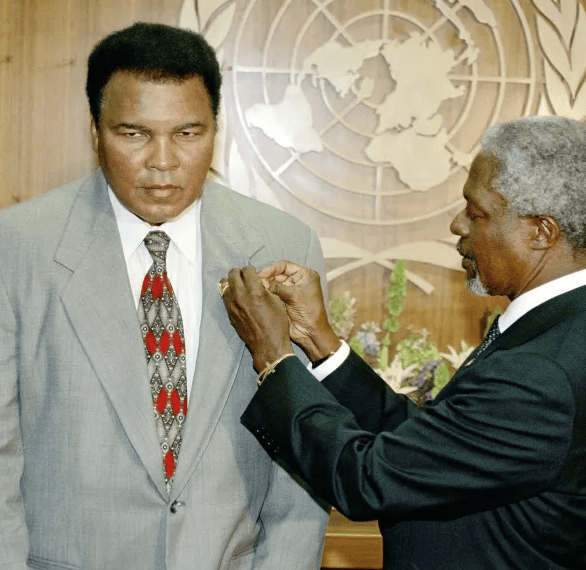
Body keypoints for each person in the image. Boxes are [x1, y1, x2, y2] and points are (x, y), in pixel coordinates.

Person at [0, 22, 329, 570]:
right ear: (95, 129)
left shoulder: (283, 245)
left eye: (187, 133)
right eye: (134, 134)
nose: (163, 160)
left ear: (215, 129)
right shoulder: (18, 246)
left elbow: (302, 453)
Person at [221, 115, 586, 569]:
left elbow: (366, 478)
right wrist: (320, 341)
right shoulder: (558, 330)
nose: (457, 225)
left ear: (541, 232)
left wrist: (273, 357)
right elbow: (426, 449)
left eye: (477, 214)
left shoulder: (541, 373)